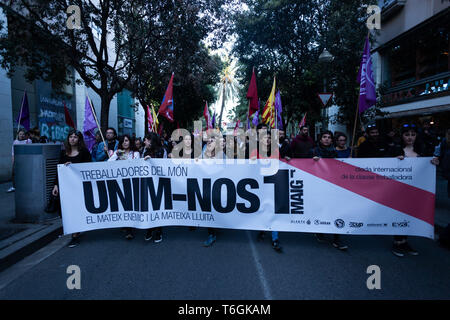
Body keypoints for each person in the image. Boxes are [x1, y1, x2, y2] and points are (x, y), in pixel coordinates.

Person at [390, 124, 432, 257]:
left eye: (413, 134)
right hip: (398, 190)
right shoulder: (396, 149)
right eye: (407, 134)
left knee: (409, 216)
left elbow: (428, 168)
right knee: (398, 216)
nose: (410, 137)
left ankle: (404, 241)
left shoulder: (422, 150)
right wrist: (394, 161)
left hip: (415, 190)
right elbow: (384, 166)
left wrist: (434, 162)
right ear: (401, 136)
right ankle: (397, 242)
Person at [52, 129, 92, 248]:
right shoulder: (63, 153)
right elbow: (59, 170)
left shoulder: (84, 152)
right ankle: (75, 230)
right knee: (66, 210)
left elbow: (89, 168)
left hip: (79, 187)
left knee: (77, 210)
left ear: (79, 139)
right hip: (66, 187)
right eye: (71, 137)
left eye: (75, 137)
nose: (73, 139)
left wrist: (74, 167)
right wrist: (55, 185)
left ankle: (75, 235)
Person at [311, 130, 348, 250]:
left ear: (332, 140)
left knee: (336, 211)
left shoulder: (335, 152)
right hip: (319, 185)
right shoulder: (314, 151)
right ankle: (320, 229)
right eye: (324, 137)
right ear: (320, 139)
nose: (327, 139)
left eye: (329, 137)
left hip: (334, 186)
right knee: (321, 209)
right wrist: (312, 161)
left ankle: (337, 238)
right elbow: (304, 166)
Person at [251, 130, 283, 252]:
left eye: (269, 137)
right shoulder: (255, 151)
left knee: (273, 210)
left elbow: (281, 165)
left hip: (273, 184)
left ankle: (275, 238)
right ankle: (262, 229)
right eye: (265, 137)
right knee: (262, 209)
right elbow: (250, 167)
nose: (267, 140)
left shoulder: (276, 151)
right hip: (259, 186)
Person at [108, 134, 140, 239]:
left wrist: (122, 156)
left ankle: (129, 229)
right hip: (119, 183)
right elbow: (108, 164)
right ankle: (125, 223)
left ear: (130, 141)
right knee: (121, 204)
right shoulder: (117, 153)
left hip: (131, 183)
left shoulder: (135, 153)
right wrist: (116, 155)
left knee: (129, 204)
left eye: (126, 140)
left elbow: (133, 164)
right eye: (122, 141)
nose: (124, 143)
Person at [142, 133, 165, 243]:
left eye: (146, 140)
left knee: (158, 206)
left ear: (151, 141)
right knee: (148, 206)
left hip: (159, 183)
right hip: (147, 183)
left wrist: (152, 160)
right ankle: (149, 228)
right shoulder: (144, 151)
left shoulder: (162, 151)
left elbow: (165, 166)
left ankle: (159, 230)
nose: (144, 142)